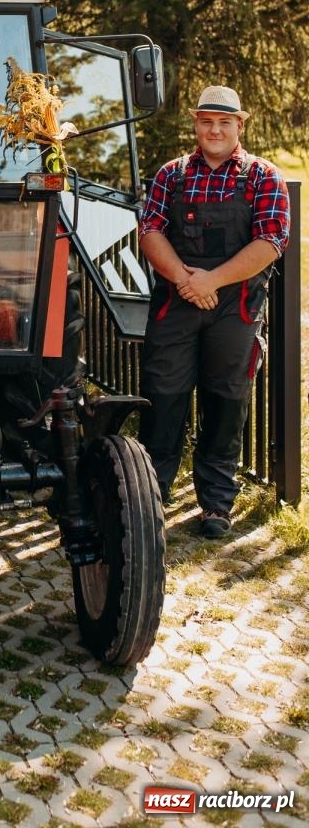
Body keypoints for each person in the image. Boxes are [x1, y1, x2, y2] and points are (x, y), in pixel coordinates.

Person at [138, 85, 290, 538]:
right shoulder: (173, 175)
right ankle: (151, 497)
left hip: (235, 306)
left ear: (239, 126)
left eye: (224, 122)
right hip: (177, 302)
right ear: (196, 124)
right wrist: (188, 282)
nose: (215, 129)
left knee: (226, 401)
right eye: (207, 121)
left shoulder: (263, 176)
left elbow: (271, 242)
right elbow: (150, 232)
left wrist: (212, 281)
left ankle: (216, 504)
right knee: (163, 397)